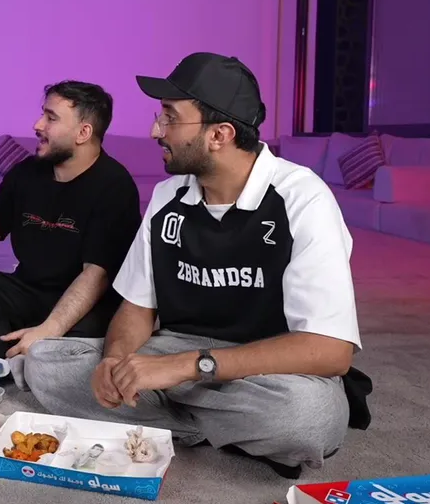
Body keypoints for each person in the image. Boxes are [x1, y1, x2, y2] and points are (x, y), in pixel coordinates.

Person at [22, 52, 372, 479]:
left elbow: (331, 351)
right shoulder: (167, 197)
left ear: (219, 134)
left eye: (170, 117)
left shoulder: (303, 198)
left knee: (309, 417)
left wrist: (188, 367)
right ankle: (221, 429)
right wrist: (115, 362)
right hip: (172, 351)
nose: (155, 130)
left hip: (266, 367)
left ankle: (176, 421)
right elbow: (136, 308)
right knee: (44, 362)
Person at [0, 81, 142, 362]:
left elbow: (95, 275)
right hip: (29, 290)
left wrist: (50, 328)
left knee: (89, 339)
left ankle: (27, 349)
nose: (37, 125)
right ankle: (12, 361)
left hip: (89, 302)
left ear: (83, 132)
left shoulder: (114, 186)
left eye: (51, 118)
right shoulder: (27, 172)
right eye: (43, 114)